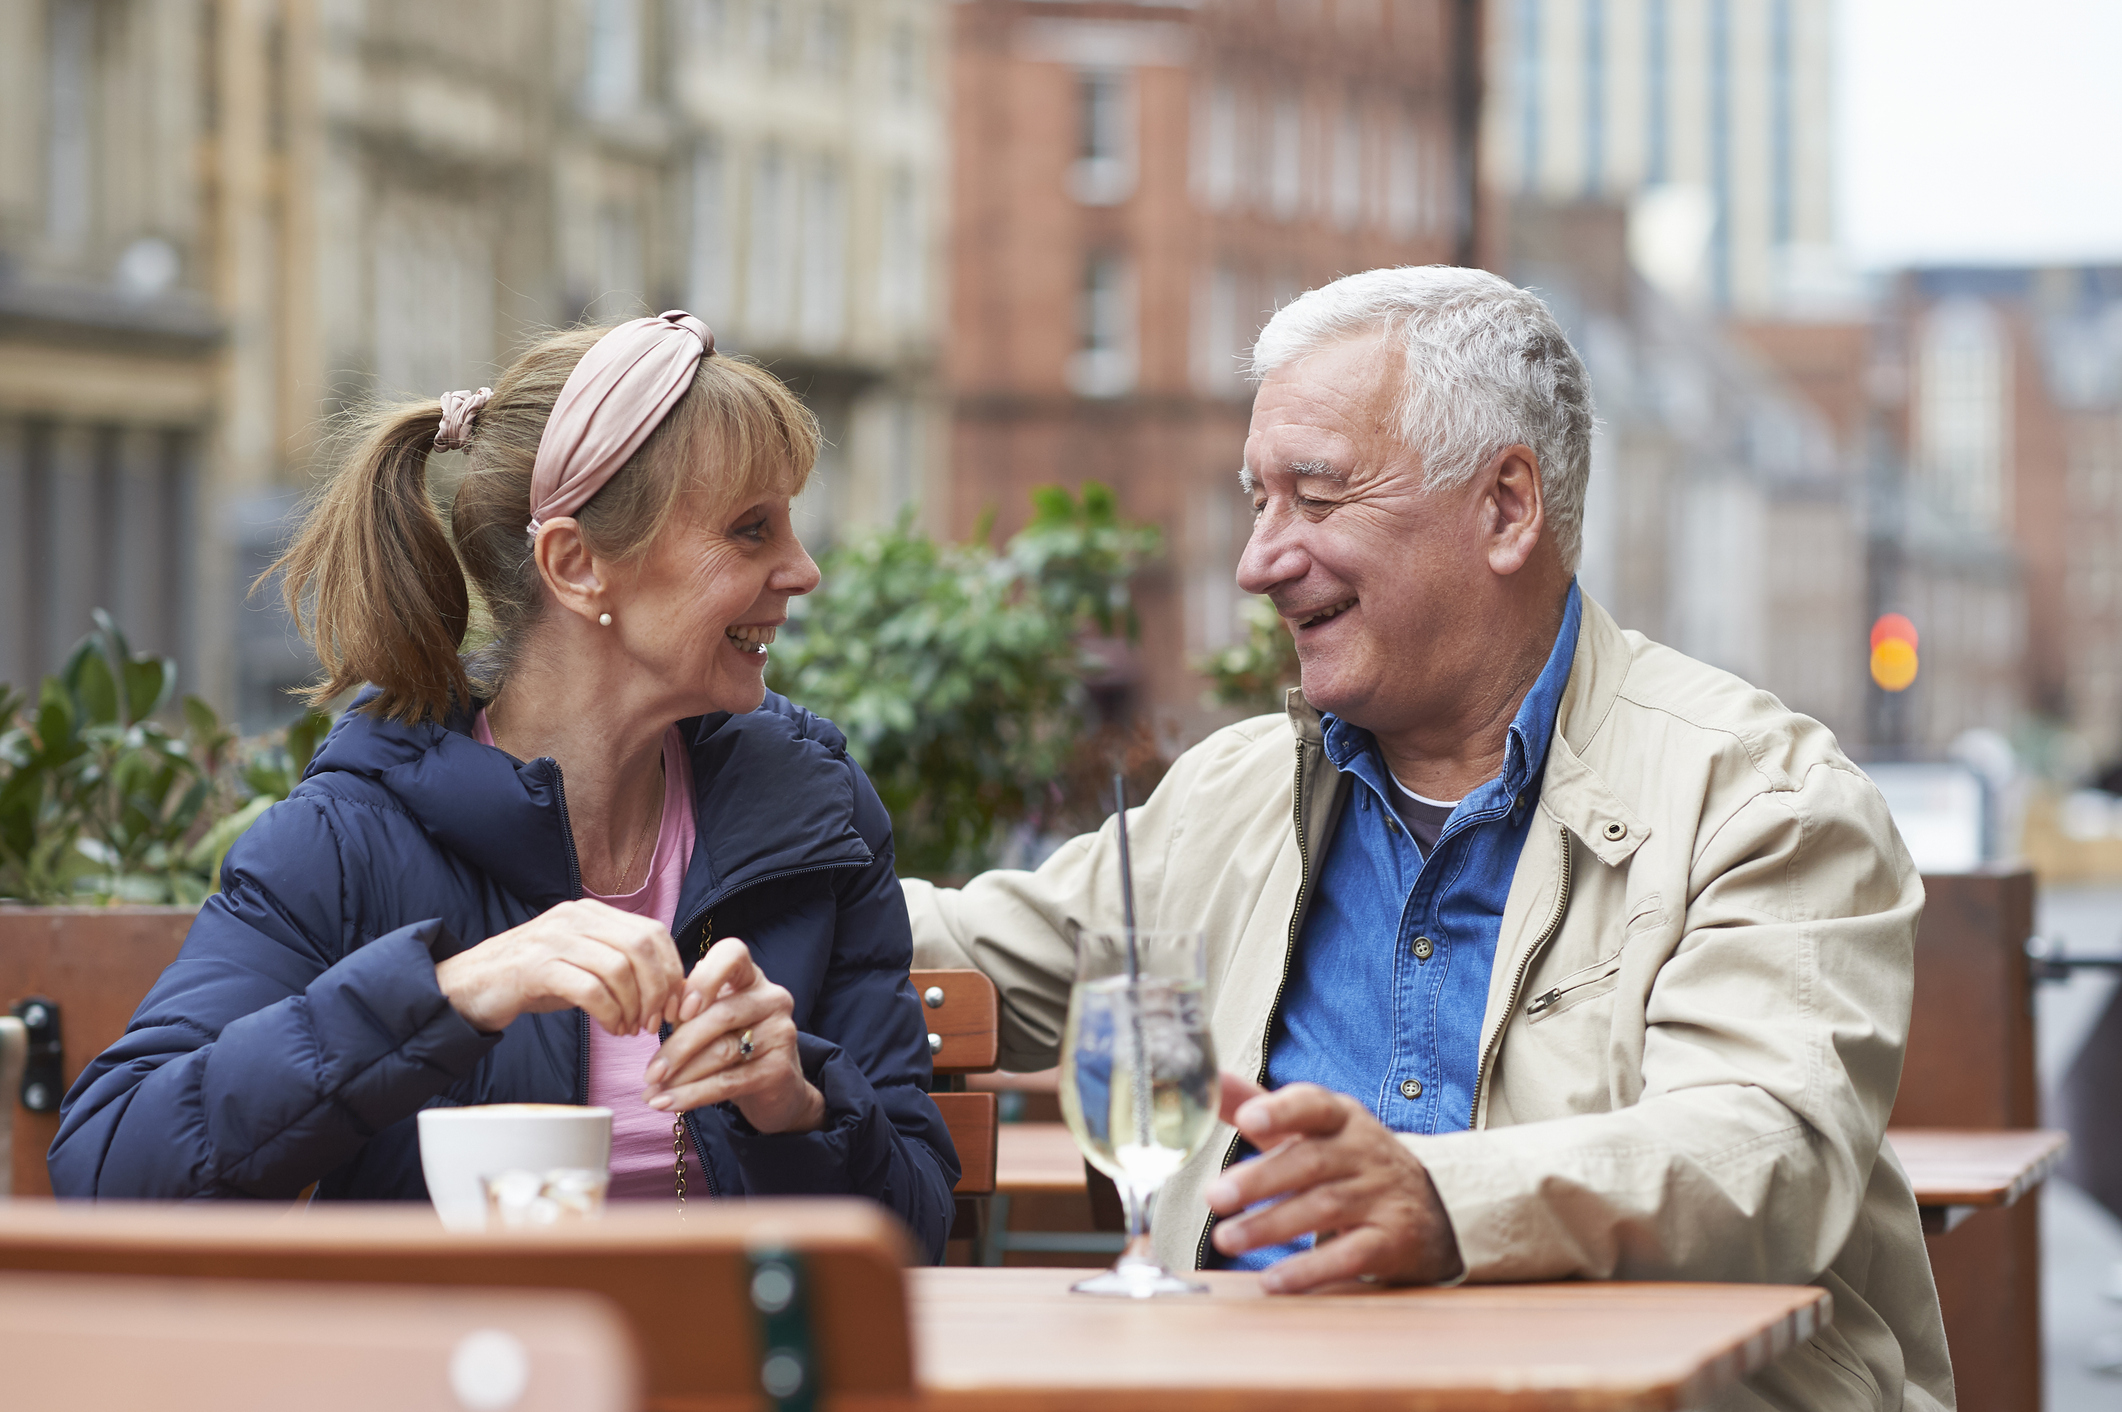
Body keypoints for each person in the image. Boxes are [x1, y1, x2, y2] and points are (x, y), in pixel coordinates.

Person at [906, 268, 1952, 1408]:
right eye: (1256, 501)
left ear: (1506, 506)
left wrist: (1439, 1198)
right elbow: (953, 946)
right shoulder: (1232, 796)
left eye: (1314, 496)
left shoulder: (1760, 796)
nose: (1259, 560)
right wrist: (697, 900)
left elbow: (1765, 1151)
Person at [50, 311, 959, 1257]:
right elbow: (112, 1168)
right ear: (576, 564)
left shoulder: (813, 814)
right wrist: (452, 991)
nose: (803, 569)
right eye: (749, 530)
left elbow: (919, 1235)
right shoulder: (351, 839)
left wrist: (796, 1103)